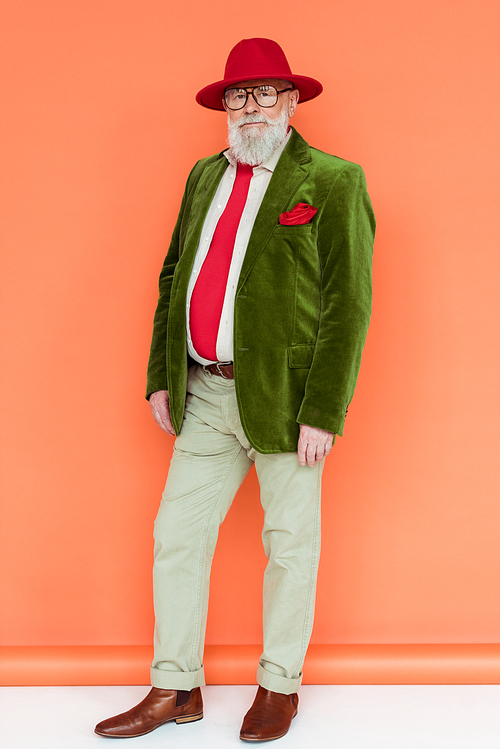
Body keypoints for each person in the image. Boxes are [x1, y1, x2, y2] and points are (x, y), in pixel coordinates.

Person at [95, 37, 375, 742]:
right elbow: (174, 276)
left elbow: (349, 304)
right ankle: (175, 684)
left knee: (289, 545)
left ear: (291, 101)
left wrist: (324, 409)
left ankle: (280, 686)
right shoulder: (202, 176)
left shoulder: (332, 181)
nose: (250, 108)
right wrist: (163, 375)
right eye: (237, 96)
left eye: (264, 94)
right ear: (225, 107)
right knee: (176, 539)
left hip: (287, 402)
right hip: (205, 397)